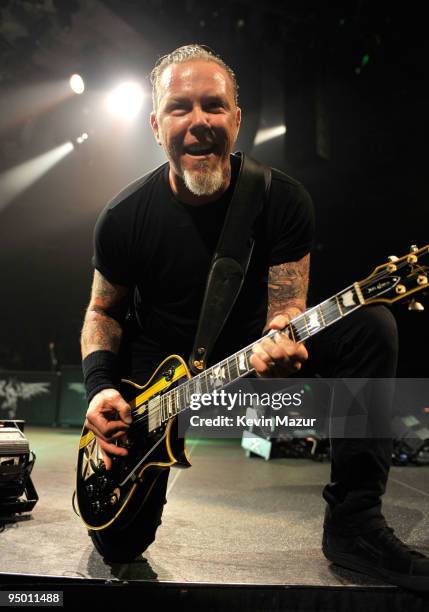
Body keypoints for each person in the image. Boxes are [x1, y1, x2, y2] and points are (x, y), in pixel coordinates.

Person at [81, 44, 429, 590]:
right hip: (156, 383)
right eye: (180, 107)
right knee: (120, 544)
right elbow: (103, 310)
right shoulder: (124, 217)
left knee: (370, 324)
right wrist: (101, 388)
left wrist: (281, 334)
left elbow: (287, 305)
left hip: (245, 356)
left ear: (237, 120)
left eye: (214, 106)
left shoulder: (280, 198)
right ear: (155, 124)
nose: (198, 122)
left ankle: (354, 525)